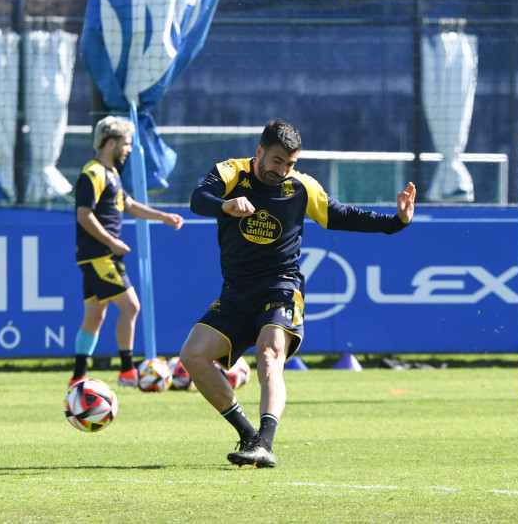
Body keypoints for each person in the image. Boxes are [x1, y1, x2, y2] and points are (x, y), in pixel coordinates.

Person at [179, 119, 416, 468]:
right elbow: (198, 199)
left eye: (290, 164)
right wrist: (224, 206)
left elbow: (342, 216)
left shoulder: (301, 186)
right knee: (193, 355)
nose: (283, 170)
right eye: (276, 161)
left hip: (280, 287)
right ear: (259, 152)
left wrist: (395, 222)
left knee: (269, 353)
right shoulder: (231, 172)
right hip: (235, 292)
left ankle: (265, 443)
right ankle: (248, 434)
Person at [71, 115, 184, 389]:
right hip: (100, 255)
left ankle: (78, 376)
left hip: (100, 254)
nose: (129, 148)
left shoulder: (111, 174)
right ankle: (127, 372)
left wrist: (163, 216)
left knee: (95, 316)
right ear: (112, 143)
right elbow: (84, 215)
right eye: (127, 143)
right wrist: (111, 242)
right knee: (131, 306)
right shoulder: (93, 173)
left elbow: (129, 205)